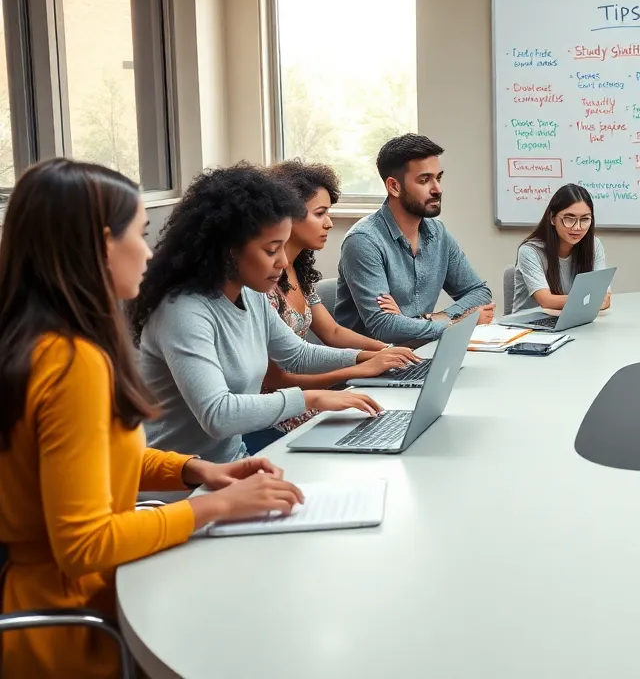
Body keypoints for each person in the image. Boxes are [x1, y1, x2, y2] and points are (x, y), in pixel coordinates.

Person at [0, 159, 306, 679]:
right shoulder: (73, 364)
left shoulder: (43, 344)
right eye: (139, 235)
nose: (148, 252)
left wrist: (194, 471)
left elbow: (88, 463)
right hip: (78, 630)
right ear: (101, 246)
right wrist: (215, 509)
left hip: (77, 601)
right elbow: (83, 546)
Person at [130, 163, 399, 464]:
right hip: (179, 489)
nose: (284, 261)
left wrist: (364, 358)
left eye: (283, 247)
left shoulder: (250, 294)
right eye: (272, 250)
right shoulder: (183, 311)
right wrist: (311, 398)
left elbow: (297, 354)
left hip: (232, 467)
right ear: (227, 250)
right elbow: (218, 415)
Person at [241, 160, 421, 454]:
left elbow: (333, 331)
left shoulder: (297, 270)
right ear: (288, 216)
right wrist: (361, 368)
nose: (329, 223)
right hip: (274, 417)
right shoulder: (260, 286)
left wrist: (383, 351)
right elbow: (273, 379)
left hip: (306, 398)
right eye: (320, 214)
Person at [334, 133, 495, 344]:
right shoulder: (363, 241)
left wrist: (430, 318)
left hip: (420, 353)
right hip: (375, 366)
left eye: (438, 178)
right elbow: (384, 327)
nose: (438, 189)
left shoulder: (438, 234)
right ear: (394, 187)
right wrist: (457, 324)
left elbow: (479, 293)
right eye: (424, 180)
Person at [511, 183, 611, 314]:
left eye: (585, 219)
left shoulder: (594, 245)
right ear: (552, 218)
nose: (577, 227)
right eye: (569, 219)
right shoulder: (530, 251)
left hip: (570, 318)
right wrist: (591, 301)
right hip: (530, 325)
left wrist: (595, 300)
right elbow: (546, 301)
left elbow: (605, 298)